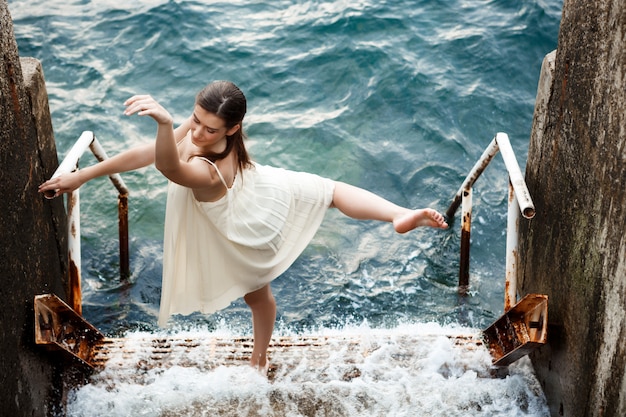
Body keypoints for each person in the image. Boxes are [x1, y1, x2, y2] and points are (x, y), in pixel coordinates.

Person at [39, 81, 448, 374]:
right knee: (330, 190)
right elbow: (145, 154)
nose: (196, 131)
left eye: (208, 128)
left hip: (241, 226)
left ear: (232, 129)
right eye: (194, 121)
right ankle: (396, 212)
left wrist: (165, 125)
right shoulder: (210, 135)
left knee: (259, 293)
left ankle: (259, 358)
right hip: (257, 187)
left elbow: (168, 165)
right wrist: (84, 175)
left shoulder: (207, 170)